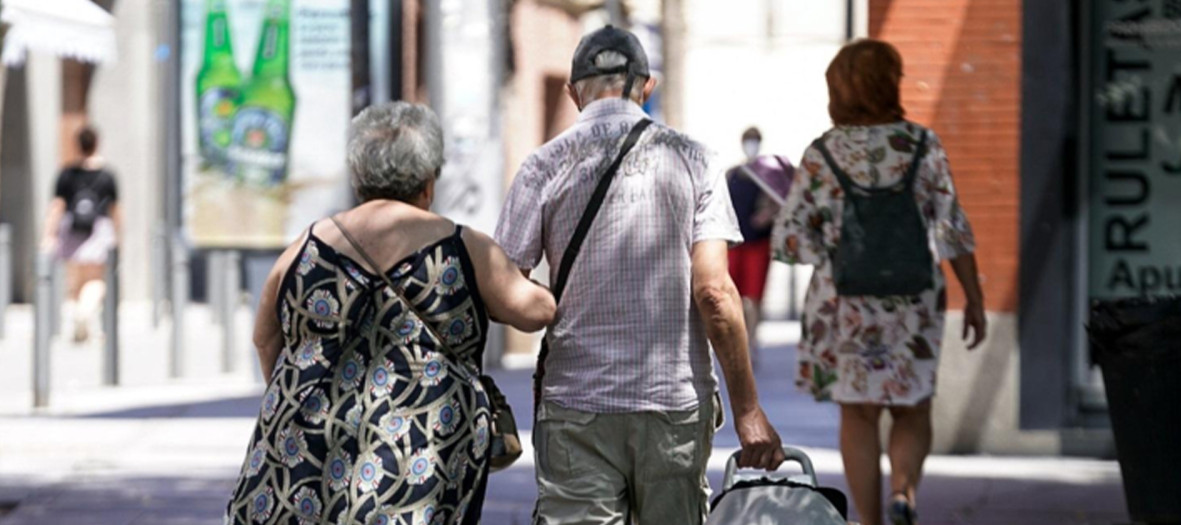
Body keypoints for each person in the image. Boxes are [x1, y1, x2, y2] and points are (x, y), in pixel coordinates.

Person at [495, 25, 784, 525]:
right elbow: (715, 292)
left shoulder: (542, 166)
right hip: (672, 405)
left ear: (572, 92)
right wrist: (748, 411)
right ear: (646, 85)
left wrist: (544, 303)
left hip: (576, 405)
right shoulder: (696, 160)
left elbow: (505, 291)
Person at [224, 102, 556, 525]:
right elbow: (532, 312)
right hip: (419, 455)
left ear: (358, 174)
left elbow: (265, 337)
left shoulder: (306, 246)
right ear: (429, 179)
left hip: (305, 451)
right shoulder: (462, 246)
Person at [772, 39, 987, 525]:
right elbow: (951, 226)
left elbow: (789, 242)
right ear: (889, 83)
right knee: (912, 407)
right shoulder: (922, 145)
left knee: (859, 414)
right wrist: (974, 298)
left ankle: (869, 520)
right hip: (913, 298)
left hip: (843, 301)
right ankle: (904, 494)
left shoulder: (822, 154)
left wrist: (829, 245)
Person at [41, 126, 122, 343]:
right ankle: (84, 314)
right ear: (97, 143)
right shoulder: (107, 176)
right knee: (96, 279)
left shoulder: (66, 174)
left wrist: (48, 235)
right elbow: (115, 209)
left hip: (71, 229)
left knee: (74, 280)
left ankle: (78, 321)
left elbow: (57, 206)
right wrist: (117, 236)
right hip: (98, 228)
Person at [726, 127, 794, 365]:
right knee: (733, 295)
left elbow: (783, 200)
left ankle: (751, 342)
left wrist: (767, 214)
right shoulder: (733, 173)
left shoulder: (768, 173)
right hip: (735, 243)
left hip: (758, 242)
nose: (751, 145)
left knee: (754, 297)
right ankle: (738, 340)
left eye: (754, 141)